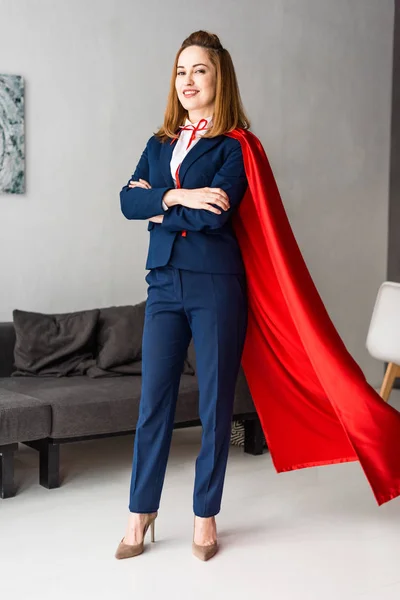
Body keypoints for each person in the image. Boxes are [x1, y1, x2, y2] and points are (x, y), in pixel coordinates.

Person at [116, 30, 251, 562]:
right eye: (181, 72)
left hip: (216, 283)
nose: (188, 81)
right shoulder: (159, 143)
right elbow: (126, 202)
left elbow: (214, 215)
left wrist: (158, 205)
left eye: (199, 70)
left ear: (219, 79)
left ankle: (205, 516)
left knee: (216, 404)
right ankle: (141, 511)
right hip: (163, 282)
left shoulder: (235, 146)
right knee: (154, 401)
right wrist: (177, 193)